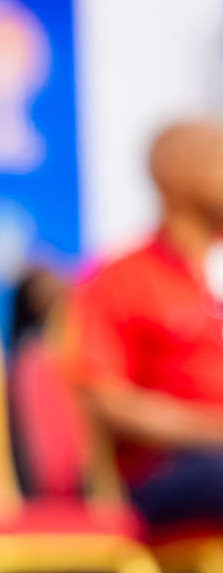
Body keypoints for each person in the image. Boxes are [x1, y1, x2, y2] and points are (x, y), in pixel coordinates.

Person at [64, 119, 223, 526]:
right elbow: (106, 400)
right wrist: (211, 430)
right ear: (178, 175)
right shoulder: (121, 279)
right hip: (165, 469)